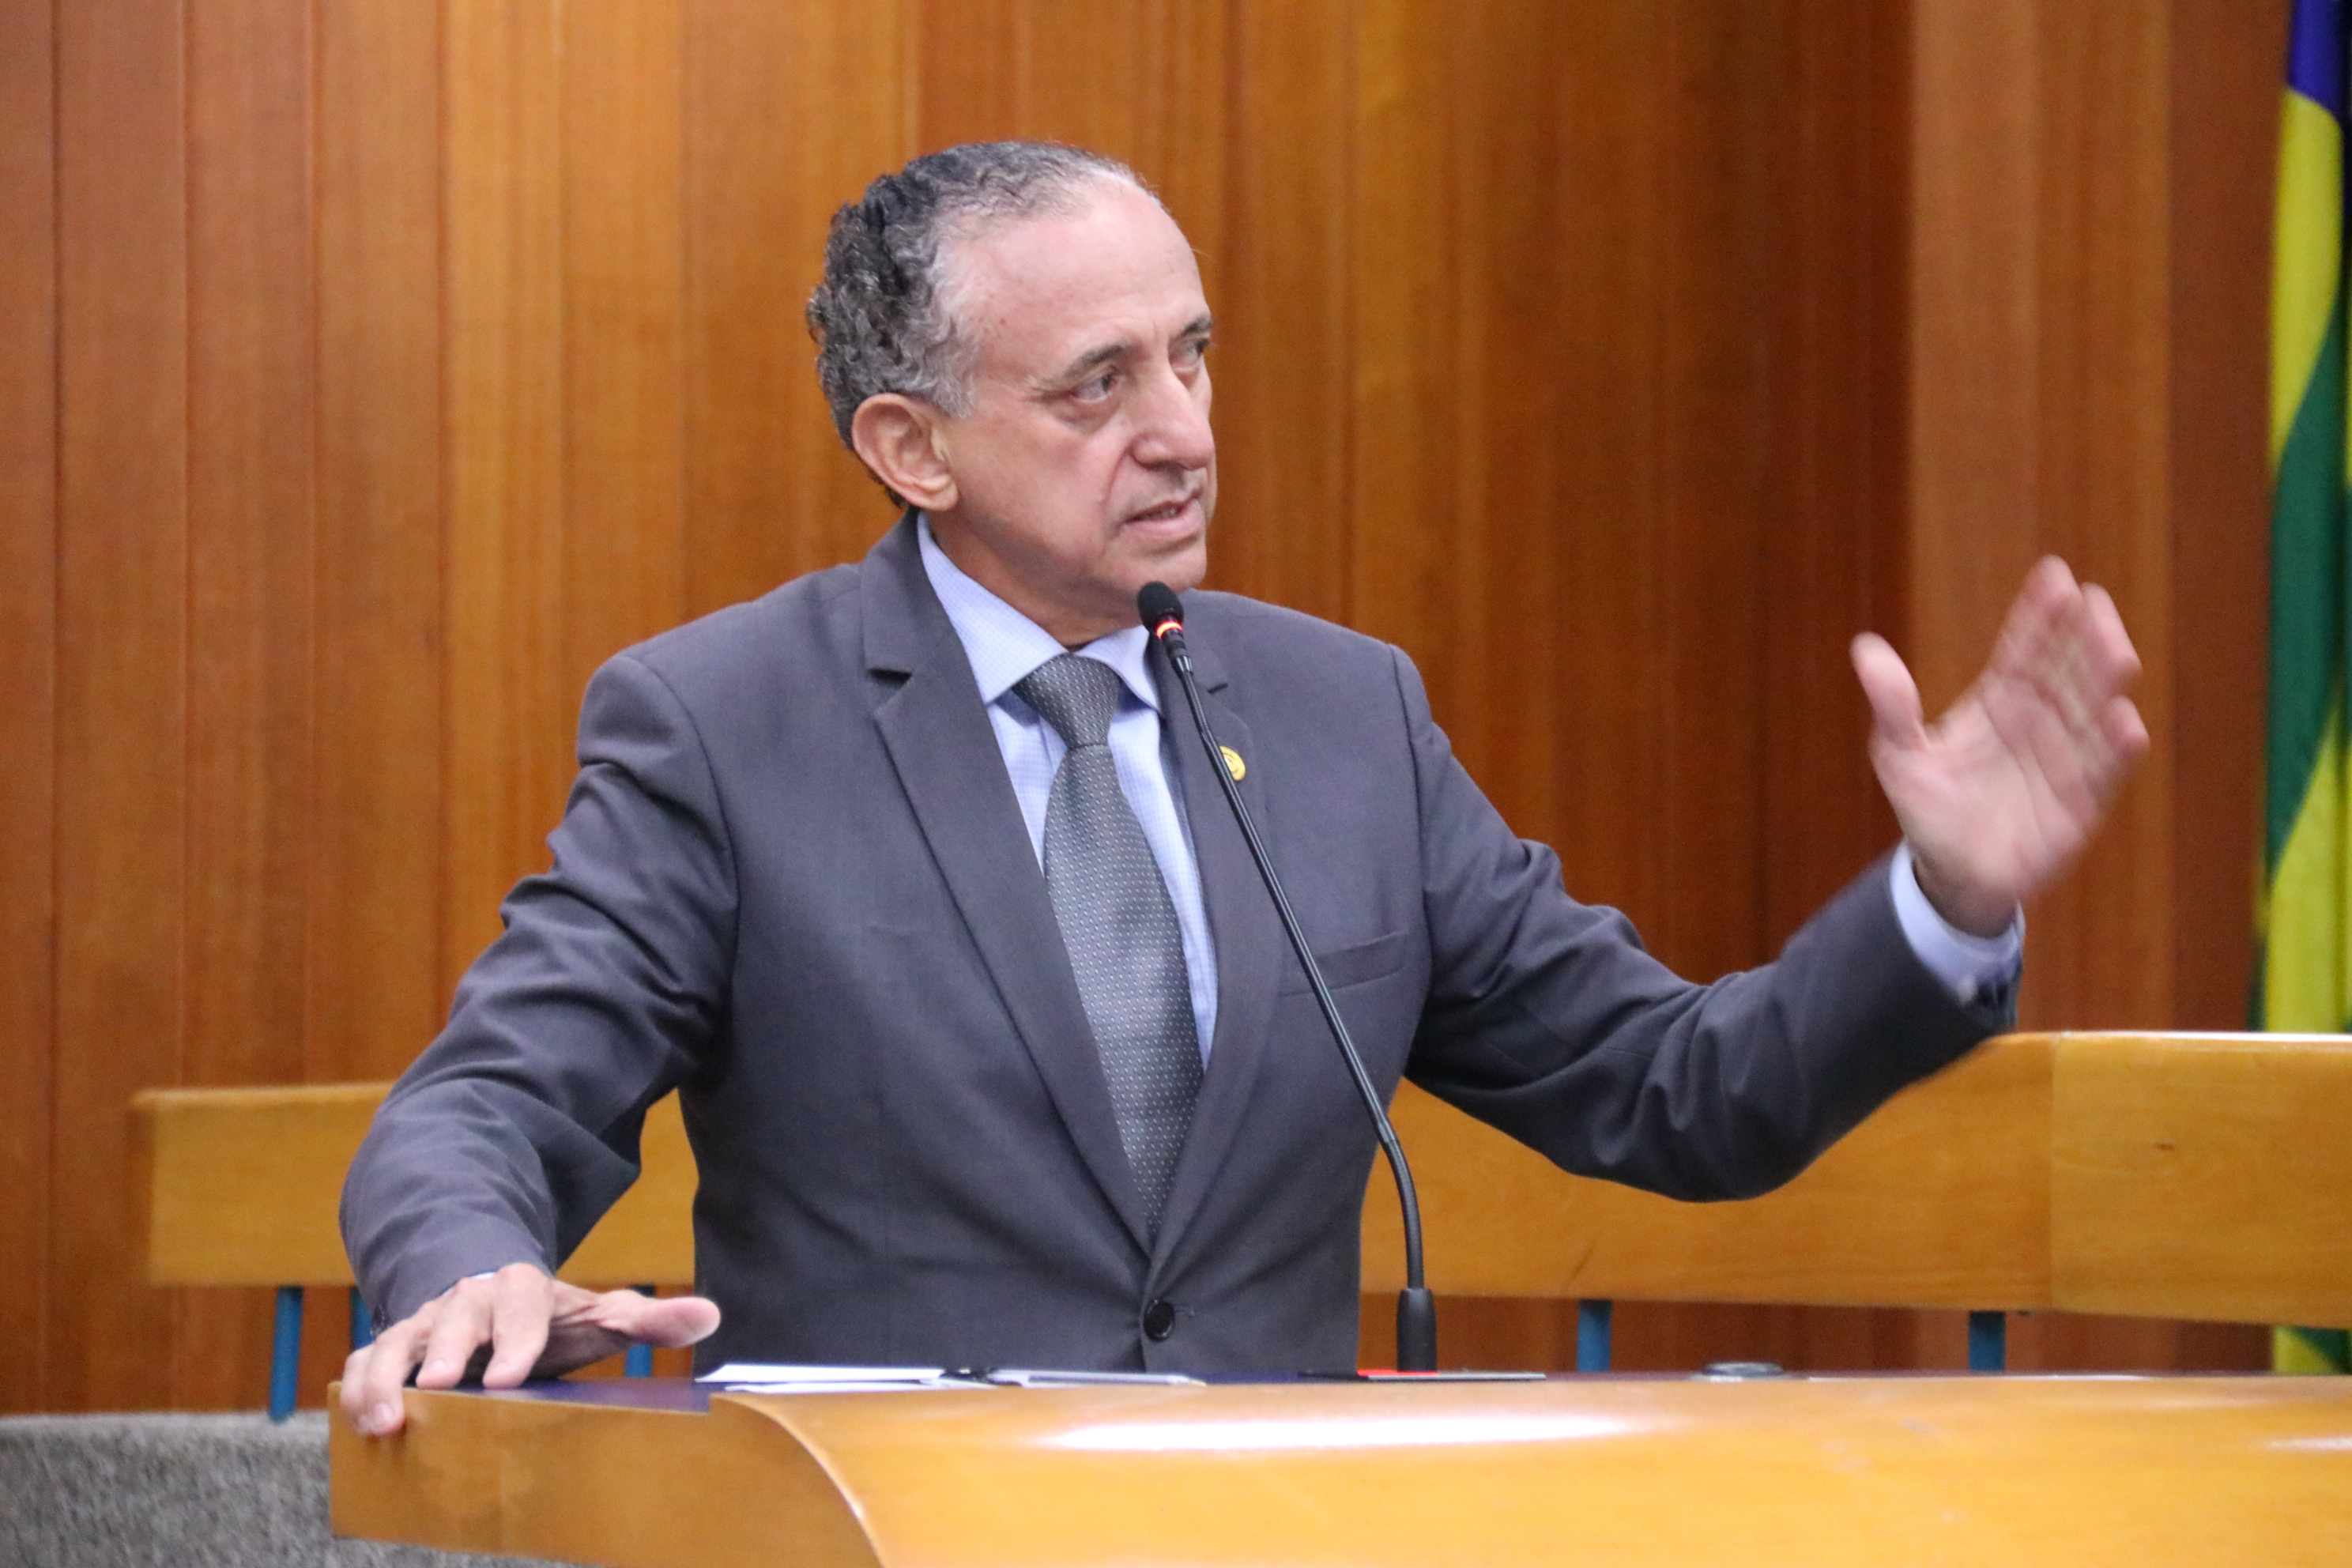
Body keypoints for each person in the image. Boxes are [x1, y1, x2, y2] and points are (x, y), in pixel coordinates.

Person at [339, 142, 2145, 1437]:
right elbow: (484, 1100)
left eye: (1192, 353)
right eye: (1098, 385)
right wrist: (466, 1263)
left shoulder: (1345, 715)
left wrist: (1944, 902)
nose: (1186, 431)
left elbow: (1683, 1093)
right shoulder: (728, 724)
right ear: (911, 447)